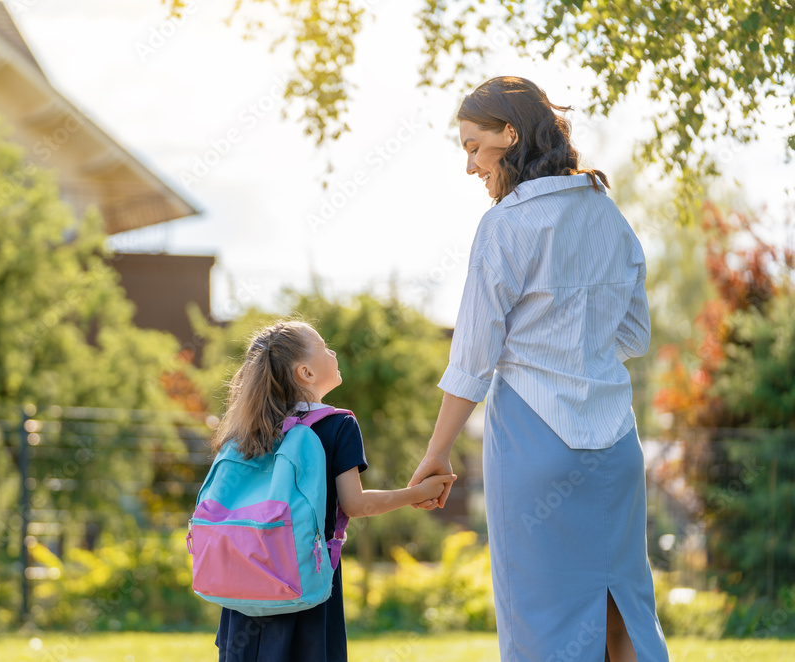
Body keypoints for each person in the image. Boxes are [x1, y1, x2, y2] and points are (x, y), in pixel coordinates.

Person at [408, 76, 671, 662]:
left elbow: (472, 357)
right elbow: (634, 334)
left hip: (534, 444)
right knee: (623, 616)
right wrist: (580, 345)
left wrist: (437, 453)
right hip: (616, 444)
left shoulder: (504, 226)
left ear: (511, 134)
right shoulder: (607, 214)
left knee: (541, 628)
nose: (471, 166)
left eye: (474, 147)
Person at [213, 320, 456, 662]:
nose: (334, 352)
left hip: (244, 587)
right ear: (306, 373)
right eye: (325, 346)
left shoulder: (248, 429)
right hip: (304, 585)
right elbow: (355, 505)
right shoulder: (338, 425)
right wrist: (416, 493)